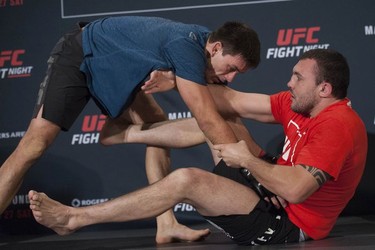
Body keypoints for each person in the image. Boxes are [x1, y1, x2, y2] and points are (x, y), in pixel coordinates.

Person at [29, 49, 367, 245]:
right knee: (221, 118)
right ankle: (125, 136)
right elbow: (232, 99)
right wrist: (175, 81)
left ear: (325, 89)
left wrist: (249, 160)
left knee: (187, 181)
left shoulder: (337, 125)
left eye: (298, 78)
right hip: (270, 191)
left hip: (289, 224)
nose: (288, 83)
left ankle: (74, 218)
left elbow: (296, 191)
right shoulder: (302, 106)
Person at [0, 16, 261, 243]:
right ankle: (119, 135)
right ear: (215, 48)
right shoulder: (187, 46)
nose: (230, 78)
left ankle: (165, 223)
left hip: (119, 66)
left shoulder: (200, 46)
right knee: (33, 146)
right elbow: (207, 119)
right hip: (82, 52)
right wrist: (250, 174)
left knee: (156, 121)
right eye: (231, 69)